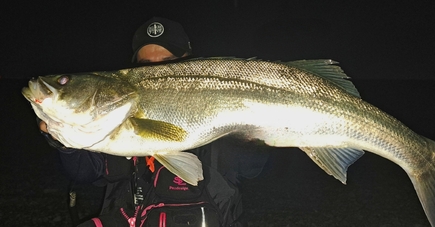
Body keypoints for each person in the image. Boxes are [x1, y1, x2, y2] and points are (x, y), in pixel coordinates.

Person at [39, 17, 269, 227]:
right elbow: (84, 172)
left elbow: (251, 169)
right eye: (145, 65)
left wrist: (251, 138)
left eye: (168, 63)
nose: (156, 73)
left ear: (188, 63)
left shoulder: (221, 108)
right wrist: (63, 142)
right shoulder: (111, 120)